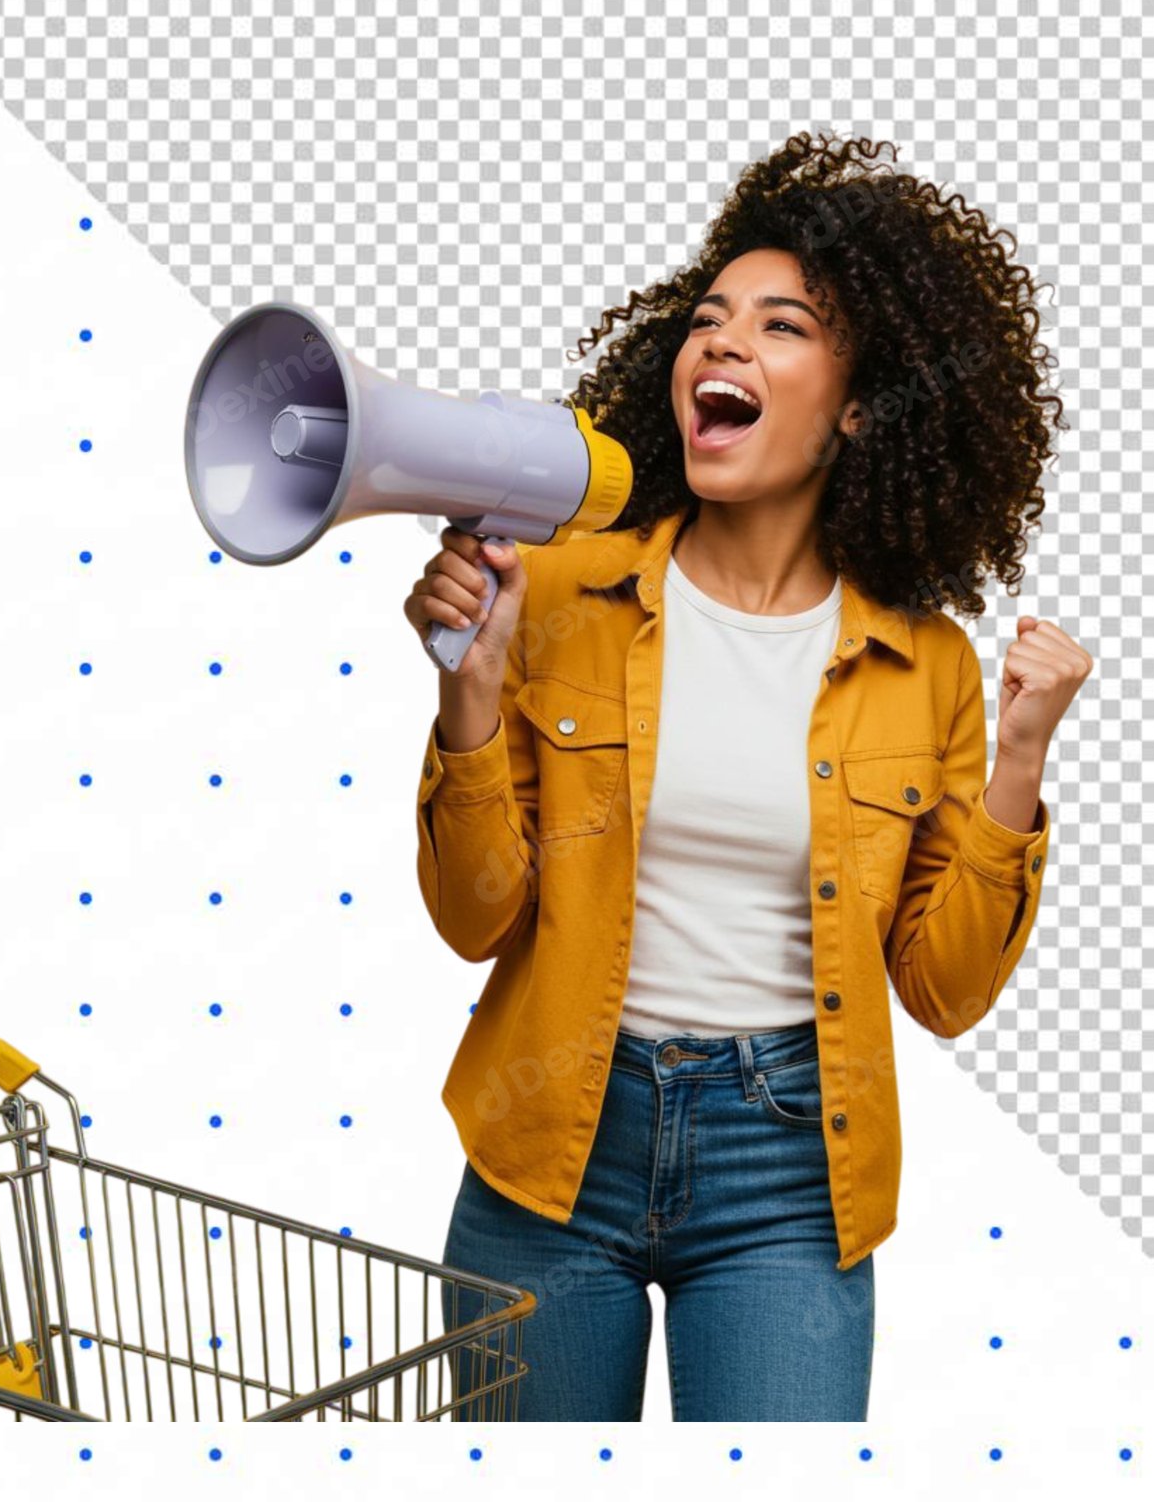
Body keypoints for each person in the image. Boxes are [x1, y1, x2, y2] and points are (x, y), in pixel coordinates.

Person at [403, 130, 1094, 1421]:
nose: (723, 346)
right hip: (551, 1143)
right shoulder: (554, 589)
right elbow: (471, 918)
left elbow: (941, 991)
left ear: (858, 405)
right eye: (709, 319)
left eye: (780, 327)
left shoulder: (925, 666)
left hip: (788, 1167)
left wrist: (1018, 762)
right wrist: (473, 695)